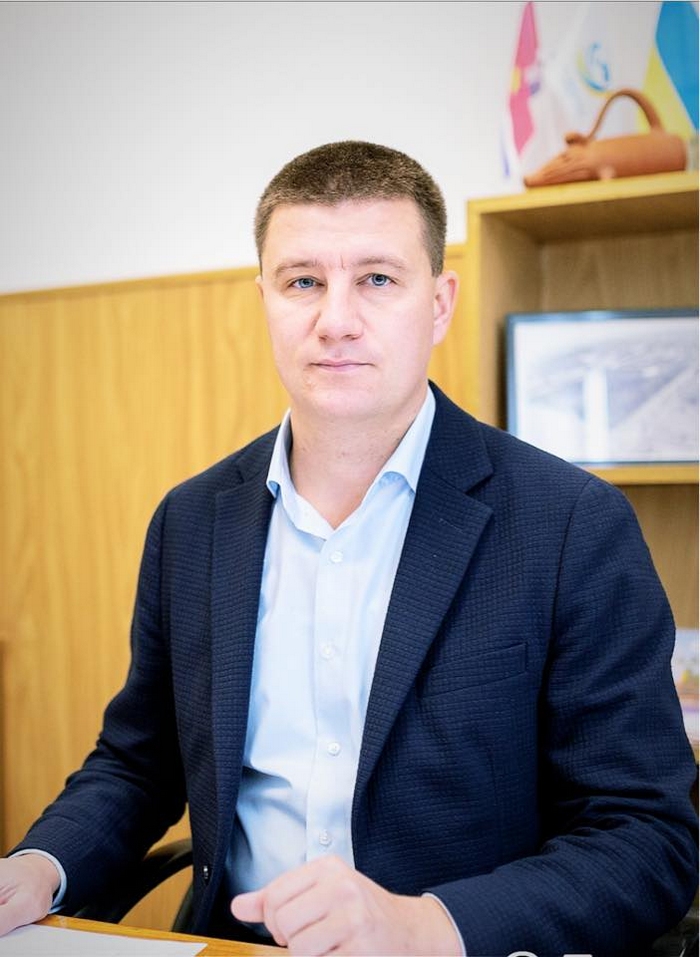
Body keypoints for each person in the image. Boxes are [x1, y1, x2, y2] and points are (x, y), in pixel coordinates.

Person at [0, 141, 696, 957]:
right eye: (302, 281)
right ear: (263, 298)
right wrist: (39, 865)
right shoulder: (191, 522)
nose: (335, 319)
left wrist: (423, 924)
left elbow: (646, 838)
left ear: (439, 303)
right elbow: (138, 762)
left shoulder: (571, 523)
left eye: (377, 279)